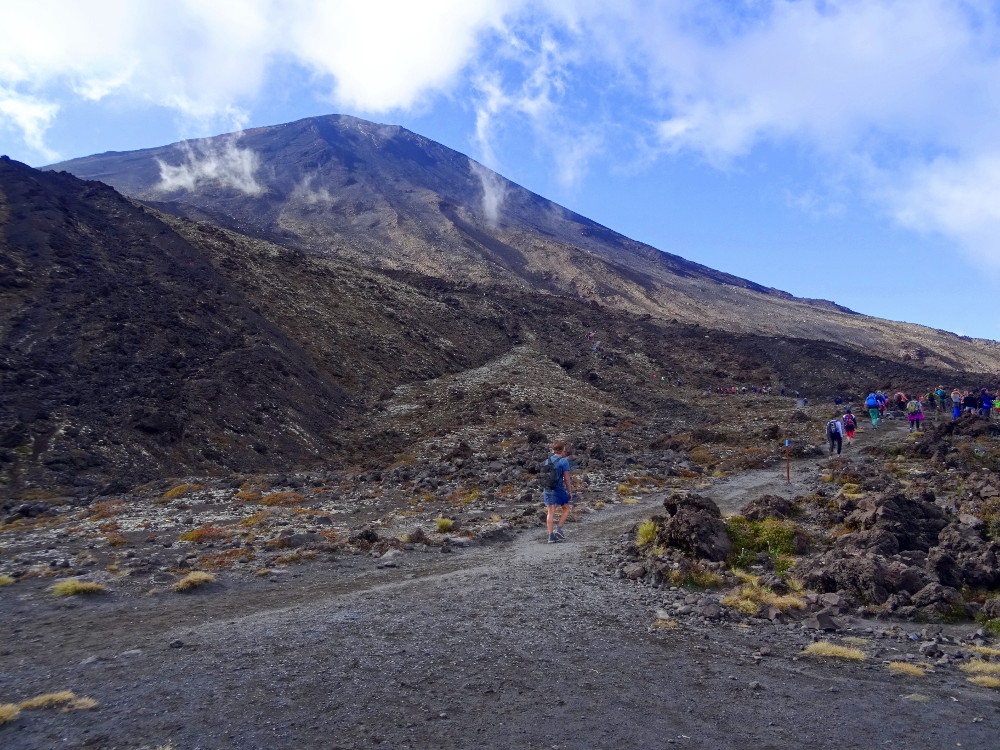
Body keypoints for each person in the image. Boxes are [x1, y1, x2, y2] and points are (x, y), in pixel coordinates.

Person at [543, 440, 575, 543]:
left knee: (550, 512)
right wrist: (569, 492)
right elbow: (566, 478)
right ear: (563, 449)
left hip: (547, 488)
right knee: (566, 508)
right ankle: (559, 529)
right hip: (558, 489)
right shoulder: (564, 461)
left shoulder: (548, 460)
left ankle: (550, 536)